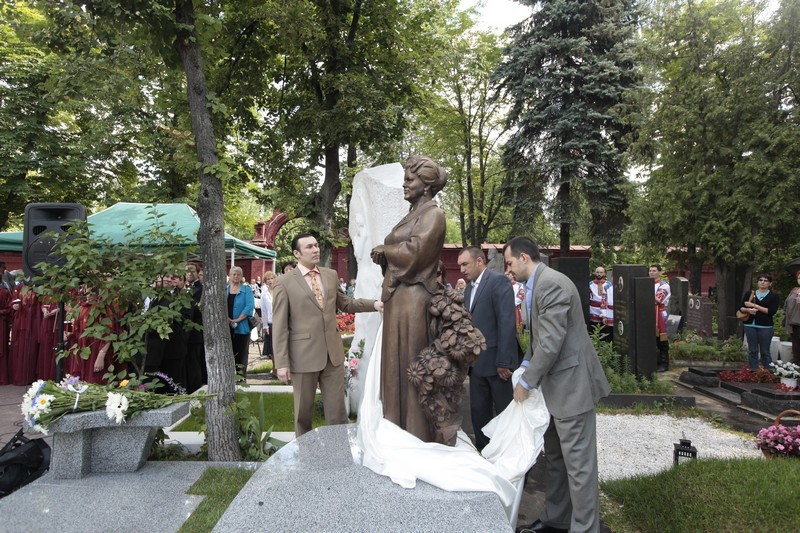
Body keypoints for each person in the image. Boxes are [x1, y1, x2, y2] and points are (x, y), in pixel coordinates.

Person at [503, 236, 610, 533]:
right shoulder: (536, 284)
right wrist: (525, 364)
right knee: (556, 459)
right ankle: (558, 519)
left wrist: (526, 382)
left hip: (572, 388)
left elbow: (551, 343)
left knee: (579, 467)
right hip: (554, 391)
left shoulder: (551, 284)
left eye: (509, 263)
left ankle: (585, 528)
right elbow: (537, 340)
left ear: (524, 257)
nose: (508, 270)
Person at [273, 233, 383, 436]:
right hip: (303, 356)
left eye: (316, 245)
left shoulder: (330, 275)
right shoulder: (284, 282)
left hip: (333, 355)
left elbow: (346, 303)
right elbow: (280, 325)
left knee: (337, 413)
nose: (315, 249)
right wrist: (281, 363)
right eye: (309, 247)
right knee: (303, 415)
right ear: (297, 253)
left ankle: (339, 452)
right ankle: (306, 453)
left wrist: (374, 304)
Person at [370, 155, 447, 442]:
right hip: (398, 298)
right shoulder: (414, 213)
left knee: (411, 363)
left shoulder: (433, 215)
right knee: (395, 364)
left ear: (426, 185)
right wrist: (385, 255)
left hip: (414, 298)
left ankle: (415, 433)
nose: (404, 184)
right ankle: (395, 427)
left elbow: (416, 252)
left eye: (409, 180)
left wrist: (386, 250)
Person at [458, 246, 520, 451]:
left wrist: (504, 361)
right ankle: (484, 454)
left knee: (504, 414)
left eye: (465, 264)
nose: (461, 270)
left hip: (497, 366)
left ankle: (509, 455)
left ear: (479, 261)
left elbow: (506, 322)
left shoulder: (498, 281)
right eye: (459, 265)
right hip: (476, 365)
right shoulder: (469, 288)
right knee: (479, 413)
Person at [741, 274, 779, 370]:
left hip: (765, 327)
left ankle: (768, 372)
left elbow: (771, 311)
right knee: (752, 350)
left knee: (765, 351)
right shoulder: (750, 294)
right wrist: (748, 310)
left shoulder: (774, 296)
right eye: (761, 280)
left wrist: (754, 305)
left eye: (765, 281)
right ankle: (753, 371)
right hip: (750, 325)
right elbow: (741, 308)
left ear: (770, 283)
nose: (762, 282)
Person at [227, 266, 255, 377]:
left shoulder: (246, 290)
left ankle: (241, 379)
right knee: (228, 354)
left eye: (238, 274)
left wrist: (237, 320)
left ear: (242, 277)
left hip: (242, 327)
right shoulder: (225, 290)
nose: (236, 276)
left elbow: (249, 306)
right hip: (227, 327)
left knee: (241, 355)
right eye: (233, 274)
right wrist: (228, 319)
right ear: (230, 276)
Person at [185, 264, 206, 391]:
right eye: (186, 271)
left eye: (192, 271)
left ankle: (195, 387)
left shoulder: (201, 289)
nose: (189, 273)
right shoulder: (186, 288)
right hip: (187, 332)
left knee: (194, 361)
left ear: (198, 273)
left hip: (195, 331)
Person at [650, 265, 671, 372]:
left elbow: (658, 299)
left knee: (661, 339)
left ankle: (664, 363)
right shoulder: (648, 284)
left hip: (660, 315)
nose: (652, 272)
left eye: (654, 271)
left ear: (659, 272)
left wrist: (646, 289)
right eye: (650, 271)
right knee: (651, 339)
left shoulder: (664, 285)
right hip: (648, 313)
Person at [588, 266, 614, 340]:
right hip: (594, 311)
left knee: (605, 332)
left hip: (606, 312)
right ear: (594, 273)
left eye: (601, 272)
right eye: (597, 272)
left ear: (604, 273)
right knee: (594, 331)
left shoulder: (608, 285)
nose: (599, 274)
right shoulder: (590, 284)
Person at [260, 271, 276, 376]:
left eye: (271, 278)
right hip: (270, 323)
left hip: (281, 322)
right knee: (272, 348)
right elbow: (264, 311)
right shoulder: (264, 294)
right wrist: (265, 326)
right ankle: (275, 369)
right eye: (268, 279)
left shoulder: (280, 291)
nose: (270, 281)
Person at [783, 269, 800, 361]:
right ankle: (796, 364)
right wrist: (785, 317)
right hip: (793, 322)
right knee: (795, 345)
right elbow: (786, 304)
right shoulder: (794, 290)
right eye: (799, 278)